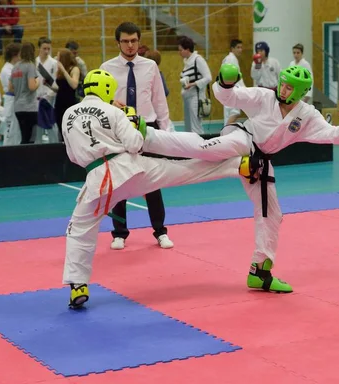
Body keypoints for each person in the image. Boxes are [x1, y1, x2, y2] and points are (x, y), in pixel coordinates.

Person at [142, 64, 339, 293]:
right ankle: (149, 136)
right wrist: (226, 82)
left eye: (288, 87)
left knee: (272, 214)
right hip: (242, 140)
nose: (282, 89)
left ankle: (260, 272)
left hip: (260, 162)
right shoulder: (264, 97)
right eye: (282, 84)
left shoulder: (307, 116)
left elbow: (329, 134)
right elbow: (230, 96)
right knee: (203, 147)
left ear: (299, 92)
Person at [60, 69, 252, 308]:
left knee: (79, 229)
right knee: (181, 171)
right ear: (107, 89)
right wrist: (129, 119)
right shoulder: (114, 111)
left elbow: (72, 155)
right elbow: (135, 143)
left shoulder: (68, 114)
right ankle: (238, 165)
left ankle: (78, 286)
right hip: (129, 170)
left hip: (96, 181)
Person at [101, 22, 173, 251]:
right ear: (117, 42)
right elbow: (99, 101)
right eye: (125, 41)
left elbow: (160, 101)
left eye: (134, 41)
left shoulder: (150, 66)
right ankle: (119, 233)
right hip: (119, 128)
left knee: (153, 179)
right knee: (119, 181)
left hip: (147, 125)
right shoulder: (107, 67)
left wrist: (167, 133)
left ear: (139, 41)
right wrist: (110, 103)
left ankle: (160, 231)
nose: (130, 45)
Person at [221, 39, 245, 125]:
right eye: (238, 47)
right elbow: (231, 77)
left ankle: (226, 133)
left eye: (241, 47)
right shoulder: (230, 59)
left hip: (229, 91)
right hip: (231, 90)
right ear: (232, 49)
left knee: (231, 113)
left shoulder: (231, 59)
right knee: (234, 112)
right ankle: (225, 133)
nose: (240, 50)